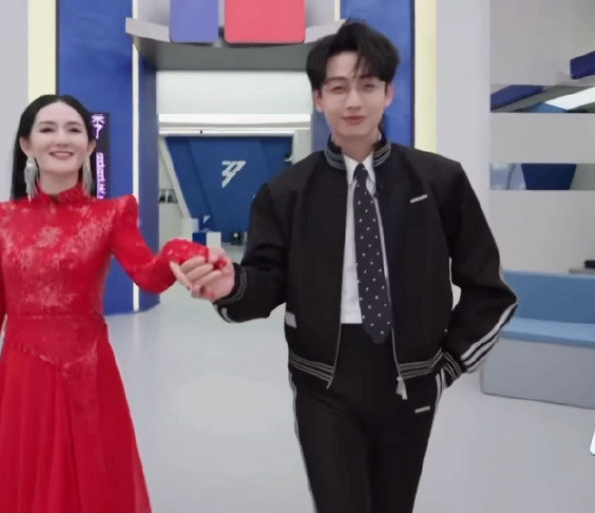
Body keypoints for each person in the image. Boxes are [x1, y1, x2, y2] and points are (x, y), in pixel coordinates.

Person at [171, 20, 518, 513]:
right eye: (337, 88)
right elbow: (265, 282)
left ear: (388, 93)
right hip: (323, 381)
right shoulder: (287, 192)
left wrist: (447, 366)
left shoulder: (438, 181)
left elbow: (489, 290)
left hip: (411, 377)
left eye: (367, 85)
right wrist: (233, 285)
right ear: (319, 99)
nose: (353, 101)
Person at [0, 94, 223, 513]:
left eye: (73, 130)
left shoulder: (112, 214)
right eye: (47, 129)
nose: (61, 138)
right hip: (21, 383)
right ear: (26, 144)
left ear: (89, 146)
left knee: (91, 487)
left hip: (89, 375)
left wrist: (178, 251)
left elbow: (148, 275)